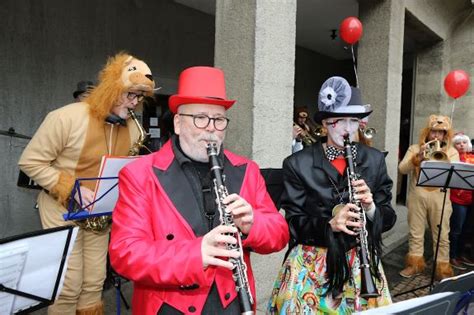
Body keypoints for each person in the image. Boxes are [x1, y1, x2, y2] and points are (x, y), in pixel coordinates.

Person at [108, 66, 289, 315]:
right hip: (169, 306)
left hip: (232, 303)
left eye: (218, 119)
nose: (211, 128)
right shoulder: (140, 174)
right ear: (179, 123)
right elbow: (125, 254)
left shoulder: (246, 169)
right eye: (200, 118)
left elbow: (279, 233)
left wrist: (252, 224)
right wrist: (196, 253)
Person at [18, 52, 155, 315]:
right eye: (130, 94)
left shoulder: (135, 130)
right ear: (112, 89)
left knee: (93, 283)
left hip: (100, 215)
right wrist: (72, 189)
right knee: (68, 286)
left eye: (139, 97)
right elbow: (31, 161)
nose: (135, 103)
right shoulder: (65, 118)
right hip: (61, 209)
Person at [268, 76, 396, 314]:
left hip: (360, 264)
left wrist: (371, 209)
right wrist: (329, 225)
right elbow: (293, 224)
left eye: (353, 121)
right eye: (339, 120)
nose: (348, 129)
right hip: (311, 263)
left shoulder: (375, 160)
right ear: (326, 123)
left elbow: (388, 216)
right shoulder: (298, 163)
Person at [398, 114, 459, 280]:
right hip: (417, 195)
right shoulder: (414, 148)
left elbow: (454, 177)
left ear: (446, 135)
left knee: (442, 235)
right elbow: (402, 169)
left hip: (441, 197)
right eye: (434, 132)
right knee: (415, 232)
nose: (437, 136)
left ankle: (442, 269)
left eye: (441, 133)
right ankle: (414, 264)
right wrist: (417, 158)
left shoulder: (452, 151)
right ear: (428, 132)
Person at [449, 132, 474, 269]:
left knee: (467, 230)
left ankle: (461, 254)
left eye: (464, 142)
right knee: (456, 229)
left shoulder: (472, 157)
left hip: (471, 200)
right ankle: (452, 256)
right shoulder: (453, 158)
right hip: (457, 199)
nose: (461, 145)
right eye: (458, 143)